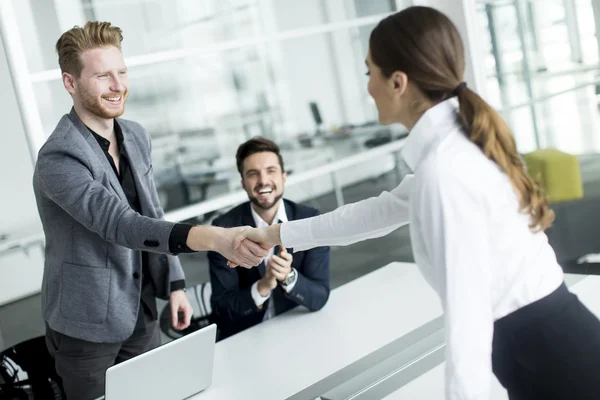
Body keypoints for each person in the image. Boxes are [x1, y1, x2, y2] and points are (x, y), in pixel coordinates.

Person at [235, 6, 600, 400]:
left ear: (398, 82)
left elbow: (468, 320)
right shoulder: (450, 152)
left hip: (551, 360)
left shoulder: (445, 172)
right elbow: (374, 213)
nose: (367, 87)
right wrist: (275, 233)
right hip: (547, 347)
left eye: (368, 72)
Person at [32, 21, 266, 400]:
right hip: (86, 324)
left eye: (121, 72)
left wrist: (174, 286)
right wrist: (213, 238)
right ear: (70, 83)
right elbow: (118, 223)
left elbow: (151, 209)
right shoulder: (59, 157)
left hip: (140, 308)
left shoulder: (136, 136)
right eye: (102, 76)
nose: (117, 85)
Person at [208, 137, 330, 340]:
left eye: (271, 171)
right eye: (253, 174)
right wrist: (263, 286)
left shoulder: (308, 219)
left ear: (283, 177)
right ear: (243, 184)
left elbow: (320, 297)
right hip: (245, 338)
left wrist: (288, 276)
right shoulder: (224, 228)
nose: (263, 181)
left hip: (298, 331)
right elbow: (222, 308)